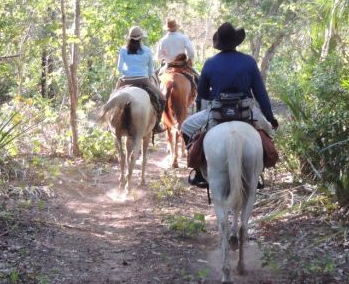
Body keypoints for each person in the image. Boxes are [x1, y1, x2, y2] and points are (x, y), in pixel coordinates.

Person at [181, 22, 279, 187]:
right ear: (236, 42)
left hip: (218, 111)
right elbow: (261, 94)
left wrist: (215, 97)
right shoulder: (249, 61)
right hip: (246, 111)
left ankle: (199, 171)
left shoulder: (210, 63)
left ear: (219, 43)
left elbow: (203, 93)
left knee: (185, 127)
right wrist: (270, 118)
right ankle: (259, 172)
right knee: (268, 133)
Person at [115, 25, 166, 134]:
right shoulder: (147, 50)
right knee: (162, 99)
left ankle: (110, 123)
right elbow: (150, 70)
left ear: (129, 38)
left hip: (126, 80)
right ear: (141, 38)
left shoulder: (123, 50)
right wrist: (146, 77)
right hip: (143, 80)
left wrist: (126, 74)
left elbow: (119, 68)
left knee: (112, 99)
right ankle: (157, 125)